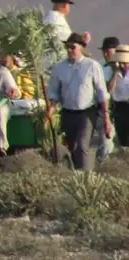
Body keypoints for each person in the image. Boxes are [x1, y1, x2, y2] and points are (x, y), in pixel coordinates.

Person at [46, 33, 111, 171]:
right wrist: (51, 107)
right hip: (68, 112)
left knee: (82, 145)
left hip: (87, 112)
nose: (69, 50)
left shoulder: (91, 65)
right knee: (72, 146)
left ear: (81, 47)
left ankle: (86, 177)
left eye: (72, 47)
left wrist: (106, 117)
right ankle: (75, 176)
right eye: (67, 47)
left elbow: (101, 92)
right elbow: (54, 91)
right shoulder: (59, 68)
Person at [108, 46, 129, 148]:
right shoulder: (114, 74)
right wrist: (116, 73)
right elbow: (110, 90)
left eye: (125, 63)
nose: (122, 65)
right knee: (122, 135)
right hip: (119, 107)